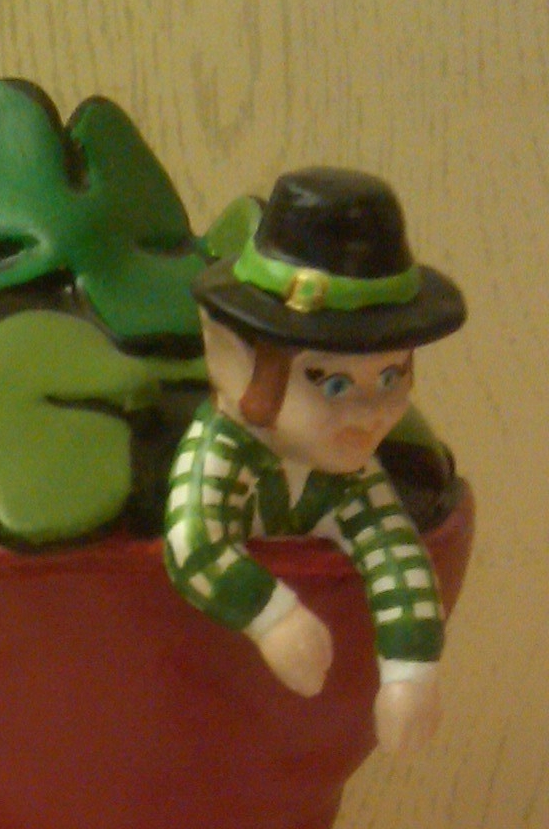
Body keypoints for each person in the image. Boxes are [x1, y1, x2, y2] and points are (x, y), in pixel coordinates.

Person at [164, 168, 465, 753]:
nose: (369, 414)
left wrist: (410, 673)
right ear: (235, 362)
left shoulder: (348, 471)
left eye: (390, 376)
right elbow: (193, 543)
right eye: (331, 383)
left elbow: (395, 553)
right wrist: (275, 619)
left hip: (287, 732)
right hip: (190, 694)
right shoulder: (224, 451)